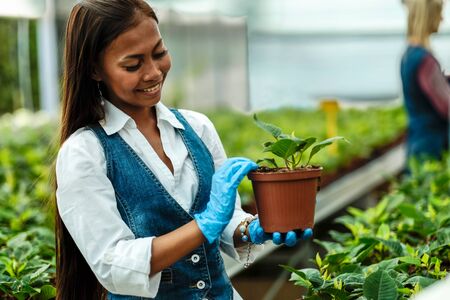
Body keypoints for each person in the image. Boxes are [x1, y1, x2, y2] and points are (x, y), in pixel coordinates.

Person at [54, 1, 313, 299]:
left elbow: (225, 220)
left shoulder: (197, 127)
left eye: (159, 53)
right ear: (94, 69)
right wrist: (203, 225)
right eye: (133, 64)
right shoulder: (85, 153)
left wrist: (252, 228)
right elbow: (113, 264)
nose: (153, 72)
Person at [400, 0, 449, 164]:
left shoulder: (409, 55)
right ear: (427, 16)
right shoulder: (425, 60)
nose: (442, 19)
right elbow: (446, 107)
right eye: (439, 13)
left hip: (417, 143)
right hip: (432, 148)